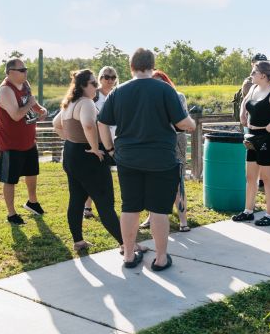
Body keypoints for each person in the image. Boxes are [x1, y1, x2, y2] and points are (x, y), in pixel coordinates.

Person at [98, 48, 195, 272]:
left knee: (129, 207)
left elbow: (102, 123)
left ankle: (129, 256)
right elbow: (184, 123)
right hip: (161, 159)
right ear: (152, 66)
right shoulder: (165, 90)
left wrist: (111, 149)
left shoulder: (117, 92)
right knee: (159, 210)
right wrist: (188, 122)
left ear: (130, 66)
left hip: (127, 158)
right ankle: (161, 259)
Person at [52, 70, 123, 252]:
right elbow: (89, 125)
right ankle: (126, 244)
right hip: (88, 157)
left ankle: (78, 241)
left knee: (76, 199)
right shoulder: (86, 103)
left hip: (71, 154)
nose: (97, 86)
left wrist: (70, 138)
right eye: (93, 83)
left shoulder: (69, 103)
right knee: (105, 201)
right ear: (83, 86)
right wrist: (94, 147)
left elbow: (56, 124)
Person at [232, 61, 270, 226]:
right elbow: (245, 101)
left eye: (253, 72)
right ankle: (248, 212)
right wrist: (242, 115)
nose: (251, 75)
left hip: (268, 138)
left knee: (267, 178)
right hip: (252, 137)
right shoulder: (253, 88)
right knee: (250, 177)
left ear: (263, 75)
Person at [0, 58, 47, 225]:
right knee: (10, 180)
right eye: (22, 70)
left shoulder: (25, 85)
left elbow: (31, 101)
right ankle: (11, 214)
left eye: (26, 69)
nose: (26, 72)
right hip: (10, 144)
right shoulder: (5, 91)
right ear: (10, 73)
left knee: (32, 173)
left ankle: (32, 202)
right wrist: (31, 104)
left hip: (28, 140)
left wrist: (40, 109)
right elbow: (17, 115)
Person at [139, 70, 190, 232]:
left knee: (177, 181)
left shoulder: (178, 96)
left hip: (175, 140)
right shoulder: (146, 99)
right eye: (154, 81)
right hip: (153, 142)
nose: (158, 84)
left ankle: (183, 220)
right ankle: (151, 216)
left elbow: (181, 121)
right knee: (152, 180)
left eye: (161, 80)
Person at [83, 65, 118, 220]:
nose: (109, 80)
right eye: (106, 77)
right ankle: (87, 206)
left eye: (112, 77)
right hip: (97, 140)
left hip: (115, 138)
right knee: (95, 174)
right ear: (100, 78)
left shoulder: (117, 95)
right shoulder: (93, 96)